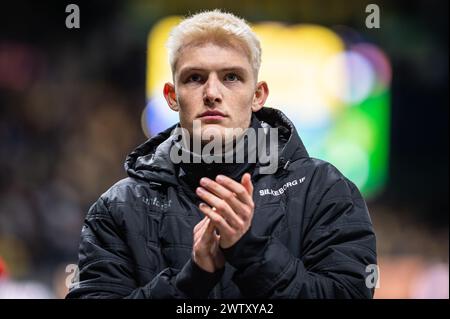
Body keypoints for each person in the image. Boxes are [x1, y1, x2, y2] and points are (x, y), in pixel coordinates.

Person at [66, 9, 377, 299]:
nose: (212, 93)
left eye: (231, 77)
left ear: (258, 95)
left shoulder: (325, 191)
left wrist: (251, 251)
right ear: (172, 97)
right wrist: (192, 279)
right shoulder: (117, 208)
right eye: (195, 78)